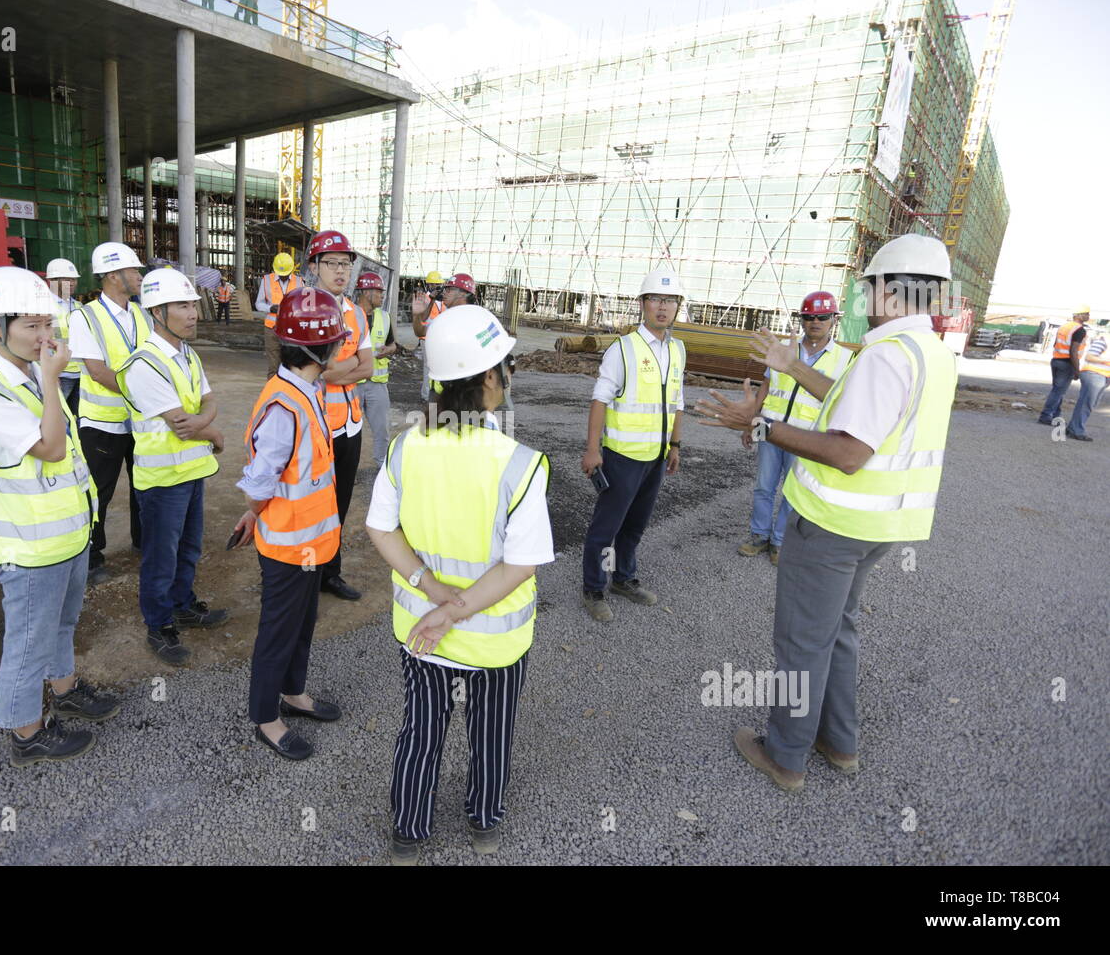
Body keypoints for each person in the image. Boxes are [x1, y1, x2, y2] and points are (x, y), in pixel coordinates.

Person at [694, 233, 959, 792]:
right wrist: (792, 366)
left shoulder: (887, 355)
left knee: (801, 642)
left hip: (832, 527)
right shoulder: (928, 352)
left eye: (868, 287)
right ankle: (839, 742)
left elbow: (847, 450)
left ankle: (785, 756)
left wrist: (761, 425)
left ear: (889, 288)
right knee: (838, 630)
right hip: (882, 526)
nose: (864, 298)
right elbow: (853, 396)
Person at [366, 305, 553, 865]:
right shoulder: (518, 464)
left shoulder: (406, 446)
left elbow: (380, 528)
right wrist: (457, 609)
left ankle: (408, 832)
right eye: (507, 365)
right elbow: (519, 565)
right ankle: (483, 822)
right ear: (492, 378)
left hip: (422, 634)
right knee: (490, 736)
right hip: (494, 644)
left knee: (421, 732)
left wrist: (431, 592)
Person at [0, 266, 118, 768]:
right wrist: (52, 380)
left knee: (63, 622)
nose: (45, 337)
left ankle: (64, 687)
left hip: (67, 534)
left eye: (48, 324)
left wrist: (43, 378)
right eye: (30, 326)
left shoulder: (27, 376)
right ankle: (27, 731)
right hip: (28, 547)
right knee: (27, 642)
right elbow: (50, 447)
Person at [234, 287, 348, 761]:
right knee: (278, 630)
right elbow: (260, 482)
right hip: (287, 547)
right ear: (324, 349)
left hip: (311, 544)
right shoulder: (286, 405)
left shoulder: (306, 390)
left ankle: (294, 693)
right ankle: (266, 716)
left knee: (302, 623)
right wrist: (253, 512)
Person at [115, 267, 230, 666]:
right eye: (183, 305)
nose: (193, 313)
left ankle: (183, 605)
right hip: (163, 479)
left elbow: (208, 402)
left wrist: (203, 423)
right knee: (160, 557)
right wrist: (212, 433)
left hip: (192, 472)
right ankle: (159, 623)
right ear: (157, 311)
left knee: (189, 548)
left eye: (193, 304)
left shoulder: (188, 354)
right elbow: (180, 426)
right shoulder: (143, 364)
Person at [579, 268, 685, 623]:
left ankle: (623, 578)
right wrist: (593, 450)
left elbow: (677, 401)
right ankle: (594, 588)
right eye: (656, 299)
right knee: (605, 528)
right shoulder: (623, 349)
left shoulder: (678, 350)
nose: (663, 307)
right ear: (642, 304)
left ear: (677, 307)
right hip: (622, 458)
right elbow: (600, 401)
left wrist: (675, 445)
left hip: (655, 459)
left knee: (635, 526)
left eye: (670, 301)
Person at [738, 291, 853, 566]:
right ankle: (759, 535)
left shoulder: (844, 359)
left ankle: (779, 541)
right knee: (764, 487)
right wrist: (749, 424)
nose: (815, 322)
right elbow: (765, 387)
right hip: (771, 431)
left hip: (807, 438)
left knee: (793, 492)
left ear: (833, 320)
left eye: (822, 317)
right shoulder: (784, 349)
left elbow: (844, 402)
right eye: (809, 317)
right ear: (802, 320)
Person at [67, 241, 151, 584]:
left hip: (141, 421)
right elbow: (98, 371)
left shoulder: (142, 314)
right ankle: (92, 555)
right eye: (134, 271)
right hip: (103, 423)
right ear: (114, 276)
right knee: (99, 489)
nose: (139, 276)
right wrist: (147, 392)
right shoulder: (85, 316)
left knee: (142, 485)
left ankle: (142, 541)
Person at [306, 229, 374, 602]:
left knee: (340, 504)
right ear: (314, 265)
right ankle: (308, 575)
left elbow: (368, 366)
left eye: (346, 264)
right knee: (315, 503)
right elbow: (323, 371)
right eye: (331, 263)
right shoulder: (306, 307)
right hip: (318, 425)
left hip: (350, 424)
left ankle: (330, 572)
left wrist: (340, 368)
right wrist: (346, 368)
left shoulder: (355, 313)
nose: (340, 271)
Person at [355, 270, 398, 469]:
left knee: (381, 429)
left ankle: (382, 465)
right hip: (352, 383)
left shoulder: (384, 317)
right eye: (379, 291)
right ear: (367, 292)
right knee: (347, 429)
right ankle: (344, 465)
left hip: (377, 385)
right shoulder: (349, 314)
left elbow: (393, 345)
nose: (382, 295)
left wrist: (387, 350)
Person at [411, 272, 476, 401]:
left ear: (463, 293)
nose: (444, 292)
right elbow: (420, 332)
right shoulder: (445, 319)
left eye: (449, 289)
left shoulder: (473, 320)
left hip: (462, 392)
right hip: (439, 391)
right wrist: (417, 316)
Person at [1038, 306, 1091, 425]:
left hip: (1056, 360)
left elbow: (1056, 344)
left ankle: (1056, 415)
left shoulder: (1064, 327)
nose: (1088, 316)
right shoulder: (1079, 330)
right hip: (1067, 364)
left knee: (1058, 390)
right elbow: (1073, 351)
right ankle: (1046, 415)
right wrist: (1077, 370)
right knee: (1058, 391)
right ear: (1078, 315)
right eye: (1086, 314)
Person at [45, 258, 83, 418]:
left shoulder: (78, 307)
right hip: (59, 373)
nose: (72, 283)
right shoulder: (43, 307)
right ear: (52, 280)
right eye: (67, 279)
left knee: (78, 417)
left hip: (79, 372)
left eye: (74, 279)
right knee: (56, 417)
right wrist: (49, 374)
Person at [256, 252, 304, 377]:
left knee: (291, 366)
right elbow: (258, 304)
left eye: (286, 274)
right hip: (272, 329)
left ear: (291, 270)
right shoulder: (267, 280)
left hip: (292, 329)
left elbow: (303, 306)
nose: (283, 276)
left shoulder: (299, 282)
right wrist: (269, 307)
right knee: (273, 367)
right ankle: (273, 395)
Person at [1068, 330, 1109, 441]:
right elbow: (1089, 357)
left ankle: (1072, 427)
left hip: (1102, 376)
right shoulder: (1104, 341)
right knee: (1086, 403)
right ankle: (1076, 430)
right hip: (1094, 374)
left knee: (1089, 404)